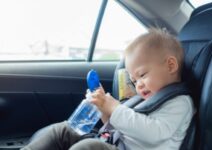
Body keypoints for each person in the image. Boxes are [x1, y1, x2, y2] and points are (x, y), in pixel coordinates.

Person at [21, 28, 194, 150]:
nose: (138, 84)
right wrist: (104, 110)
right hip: (115, 143)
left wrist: (115, 108)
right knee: (65, 130)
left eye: (142, 75)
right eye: (134, 80)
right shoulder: (145, 100)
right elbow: (115, 128)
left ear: (170, 65)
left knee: (89, 147)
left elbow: (154, 133)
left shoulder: (179, 102)